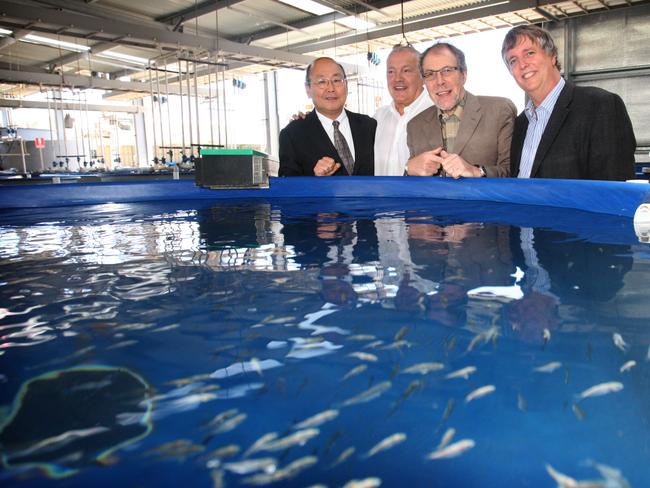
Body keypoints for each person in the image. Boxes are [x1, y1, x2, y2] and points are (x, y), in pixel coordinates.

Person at [501, 24, 636, 180]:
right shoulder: (520, 124)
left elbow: (615, 188)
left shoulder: (601, 106)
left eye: (530, 53)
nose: (522, 65)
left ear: (552, 56)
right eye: (513, 61)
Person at [406, 42, 516, 178]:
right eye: (430, 74)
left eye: (447, 70)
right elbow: (412, 185)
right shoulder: (414, 126)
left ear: (463, 75)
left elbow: (513, 172)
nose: (439, 81)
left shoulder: (499, 111)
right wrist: (408, 169)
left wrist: (476, 171)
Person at [279, 57, 376, 176]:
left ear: (346, 84)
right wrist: (316, 181)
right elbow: (288, 188)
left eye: (336, 80)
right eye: (322, 82)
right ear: (308, 89)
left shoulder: (370, 126)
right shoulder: (292, 135)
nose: (331, 89)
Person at [373, 45, 434, 176]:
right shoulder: (377, 118)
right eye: (391, 72)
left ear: (422, 76)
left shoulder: (437, 114)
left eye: (406, 71)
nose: (397, 78)